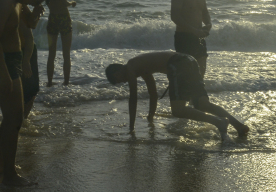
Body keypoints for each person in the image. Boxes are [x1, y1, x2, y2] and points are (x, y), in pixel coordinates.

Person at [0, 0, 55, 186]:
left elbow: (28, 26)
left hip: (10, 62)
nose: (35, 3)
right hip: (1, 65)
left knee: (11, 119)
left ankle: (2, 165)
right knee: (15, 119)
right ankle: (9, 175)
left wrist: (35, 13)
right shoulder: (4, 1)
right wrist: (5, 75)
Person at [104, 51, 249, 143]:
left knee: (178, 110)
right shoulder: (140, 67)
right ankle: (239, 126)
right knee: (203, 104)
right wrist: (150, 117)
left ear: (116, 73)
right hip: (189, 59)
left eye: (119, 80)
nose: (123, 82)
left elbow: (133, 98)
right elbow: (153, 94)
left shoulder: (130, 67)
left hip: (177, 64)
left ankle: (219, 122)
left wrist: (131, 128)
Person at [171, 0, 211, 78]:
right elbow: (175, 17)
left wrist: (208, 24)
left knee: (201, 70)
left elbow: (204, 12)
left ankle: (198, 94)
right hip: (184, 38)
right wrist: (194, 30)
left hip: (199, 37)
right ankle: (186, 94)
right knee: (186, 72)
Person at [46, 0, 77, 86]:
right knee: (66, 54)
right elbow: (64, 3)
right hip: (63, 18)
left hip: (52, 18)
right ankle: (66, 82)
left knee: (51, 54)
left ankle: (49, 82)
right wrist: (72, 3)